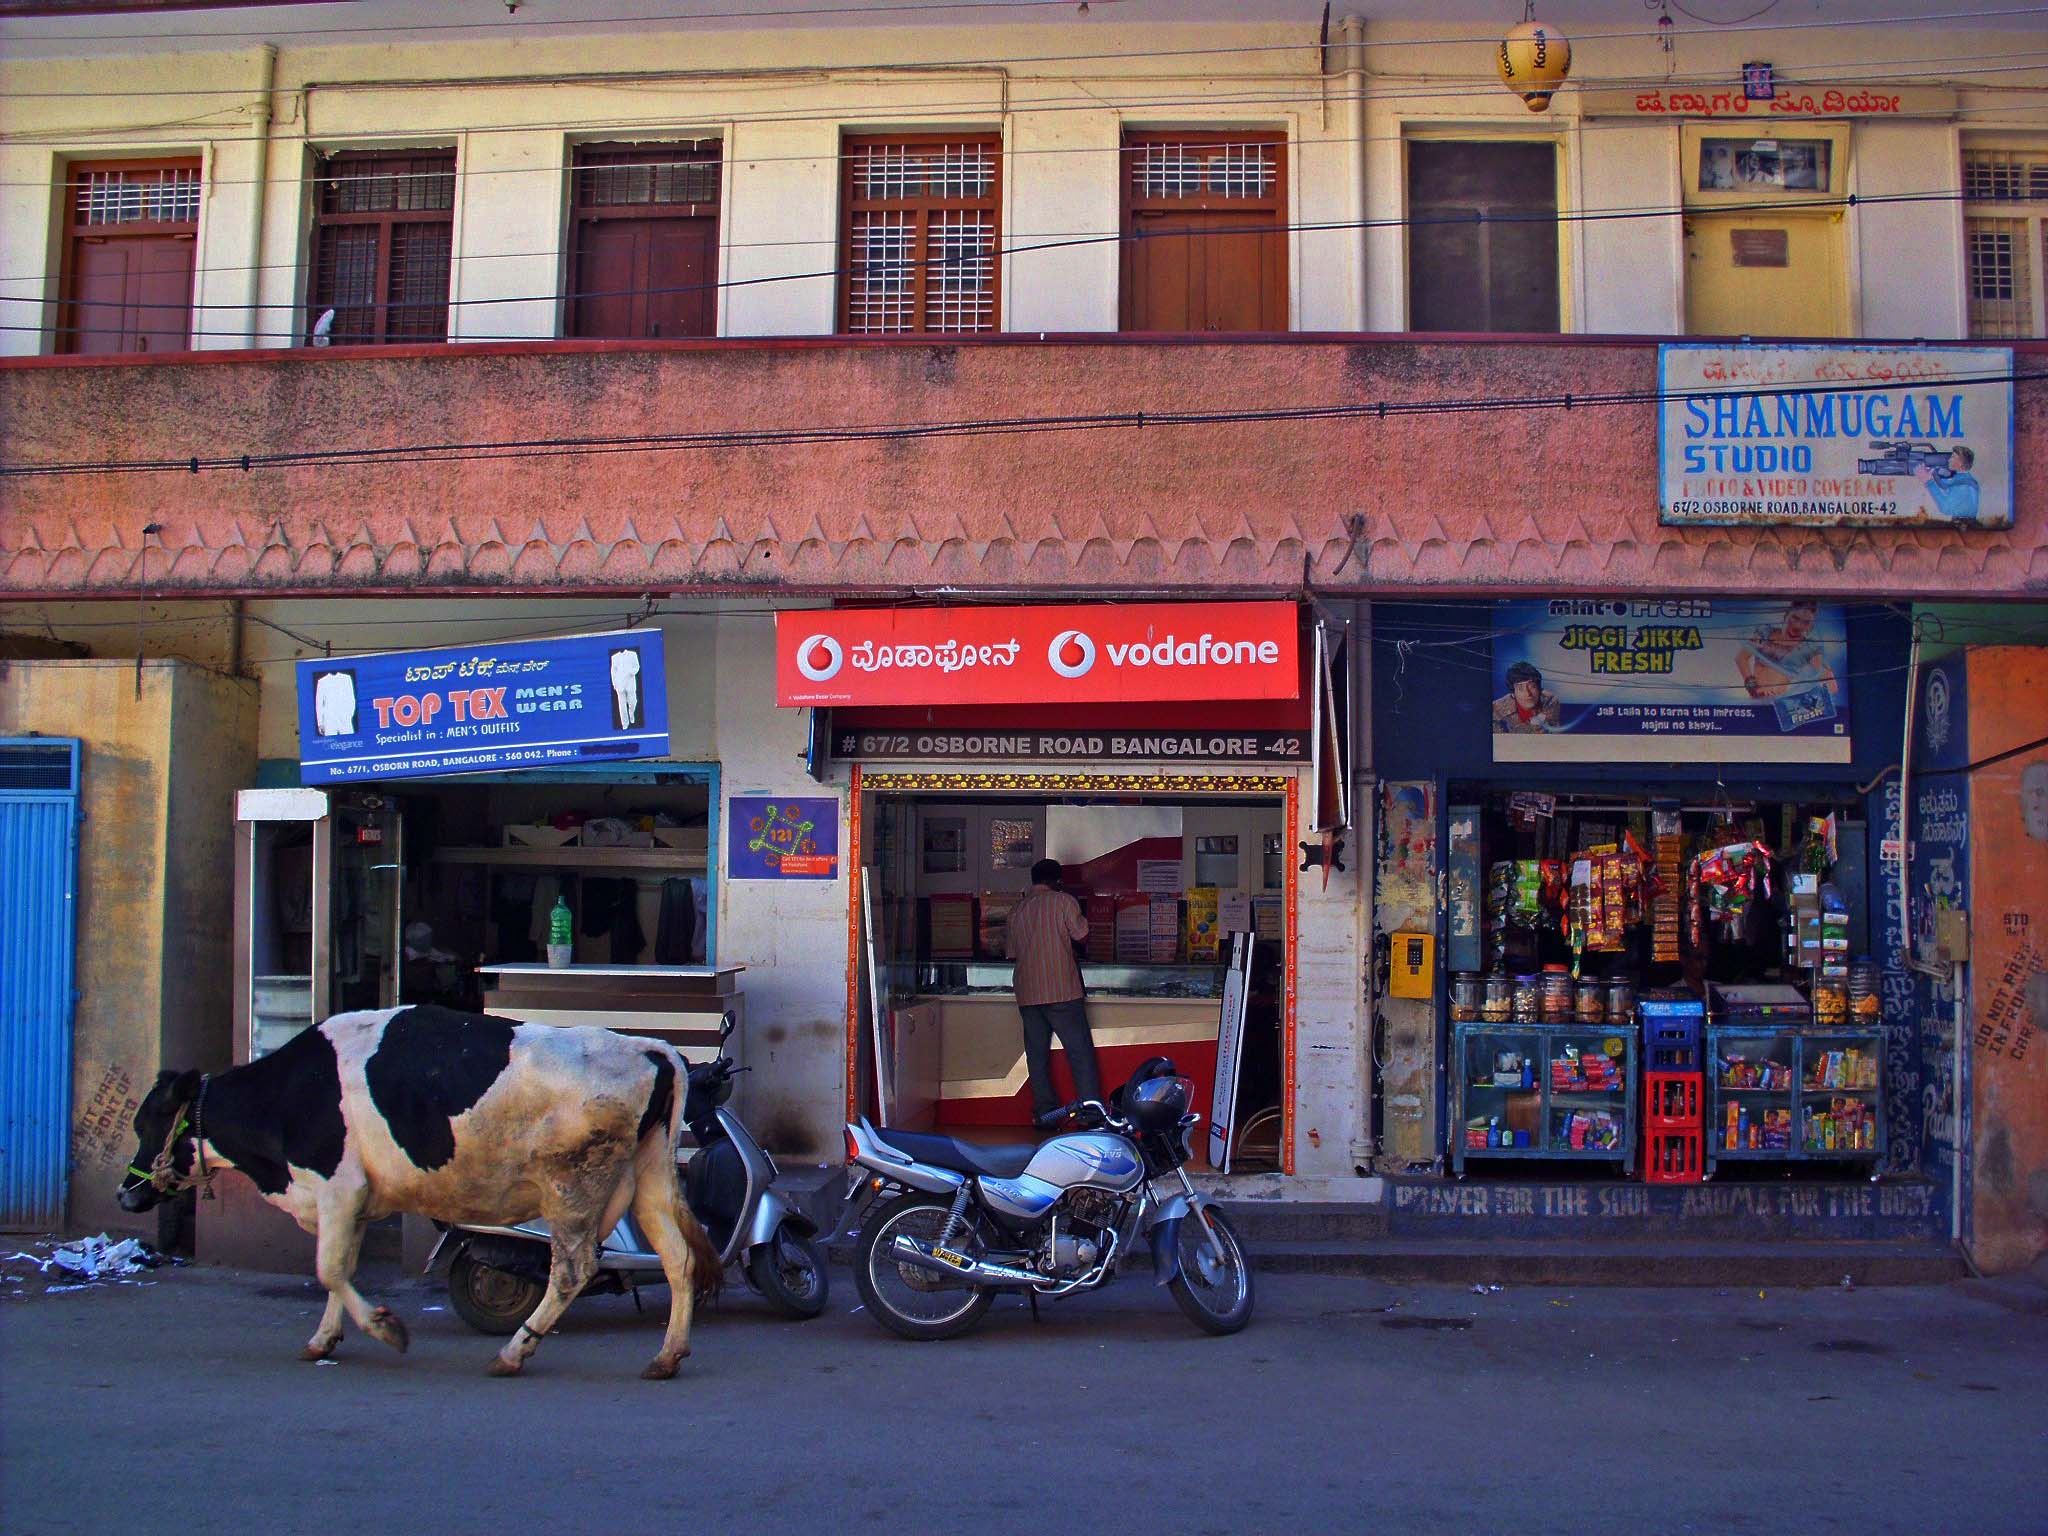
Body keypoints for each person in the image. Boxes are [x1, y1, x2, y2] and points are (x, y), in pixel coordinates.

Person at [1005, 857, 1102, 1123]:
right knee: (1079, 1053)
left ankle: (1044, 1115)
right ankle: (1090, 1114)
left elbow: (1012, 953)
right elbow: (1081, 935)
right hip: (1061, 991)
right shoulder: (1063, 901)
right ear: (1056, 880)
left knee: (1037, 1058)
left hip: (1027, 992)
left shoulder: (1017, 910)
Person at [1739, 599, 1837, 701]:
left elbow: (1832, 686)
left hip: (1778, 705)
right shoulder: (1765, 632)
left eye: (1806, 622)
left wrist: (1800, 704)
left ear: (1811, 626)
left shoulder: (1809, 648)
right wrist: (1753, 688)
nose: (1798, 626)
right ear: (1786, 614)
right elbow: (1741, 659)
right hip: (1753, 704)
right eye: (1795, 618)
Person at [1914, 446, 1982, 525]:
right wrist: (1934, 473)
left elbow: (1946, 508)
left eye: (1953, 457)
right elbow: (1946, 485)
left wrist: (1929, 482)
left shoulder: (1963, 485)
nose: (1949, 460)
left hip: (1963, 526)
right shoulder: (1962, 478)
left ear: (1960, 463)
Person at [1492, 660, 1561, 734]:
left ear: (1539, 688)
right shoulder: (1496, 707)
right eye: (1520, 689)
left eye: (1532, 686)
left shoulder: (1550, 701)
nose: (1527, 693)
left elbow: (1553, 735)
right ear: (1513, 693)